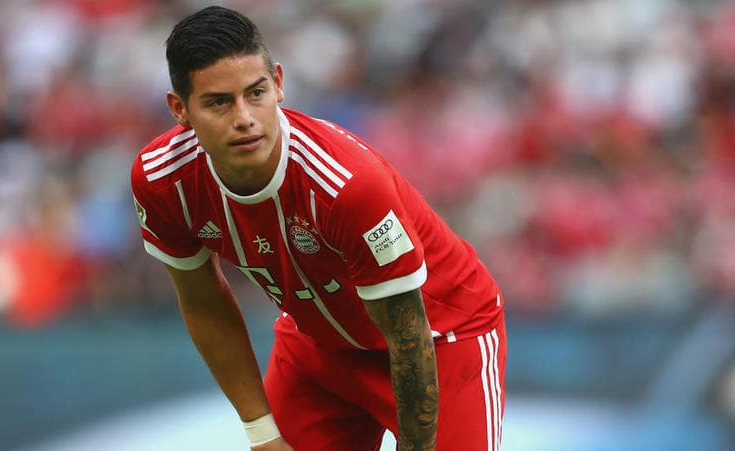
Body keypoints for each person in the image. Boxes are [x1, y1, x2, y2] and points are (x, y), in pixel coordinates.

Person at [131, 6, 506, 450]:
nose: (245, 117)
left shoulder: (347, 185)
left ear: (279, 84)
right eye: (218, 102)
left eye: (256, 93)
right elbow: (204, 303)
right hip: (317, 345)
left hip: (440, 338)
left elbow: (408, 336)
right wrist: (262, 434)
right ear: (180, 109)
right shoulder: (161, 180)